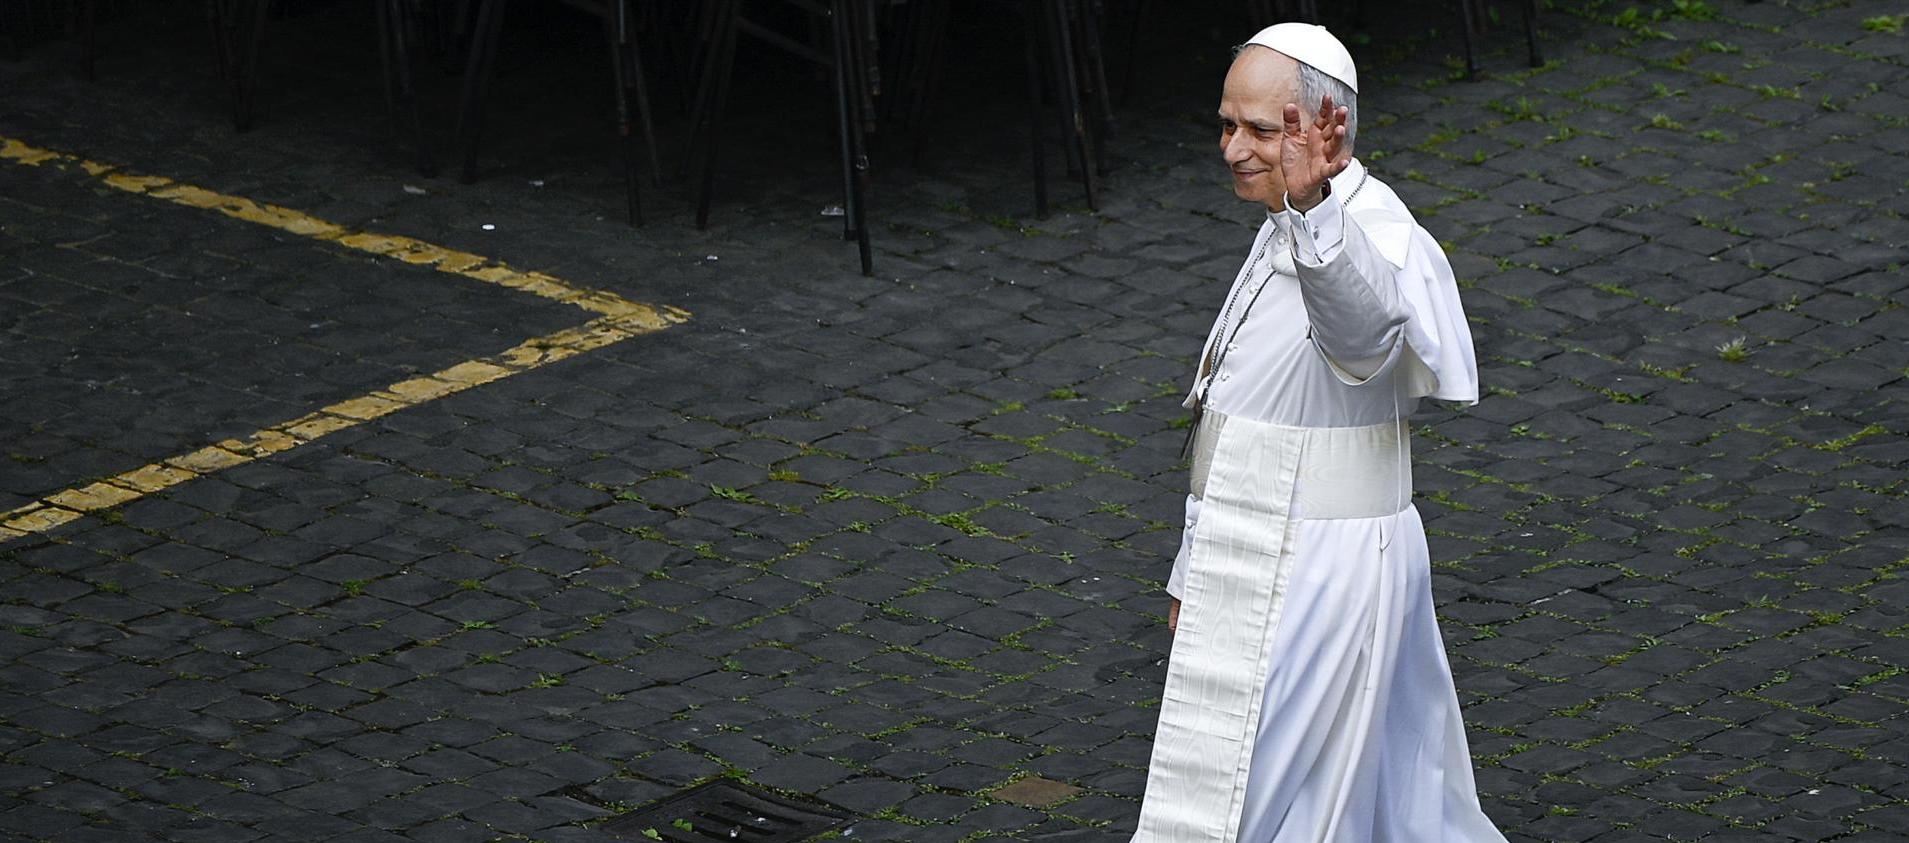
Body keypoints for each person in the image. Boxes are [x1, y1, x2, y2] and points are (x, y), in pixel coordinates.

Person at [1130, 23, 1510, 843]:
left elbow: (1362, 337)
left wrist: (1312, 209)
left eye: (1261, 130)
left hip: (1322, 569)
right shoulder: (1283, 221)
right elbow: (1236, 421)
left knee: (1268, 799)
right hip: (1256, 542)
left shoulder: (1371, 233)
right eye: (1227, 124)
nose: (1233, 149)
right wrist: (1191, 565)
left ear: (1326, 128)